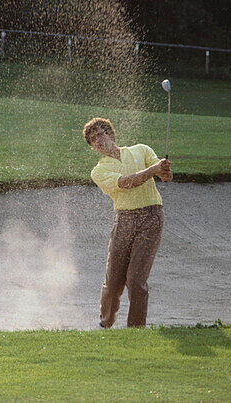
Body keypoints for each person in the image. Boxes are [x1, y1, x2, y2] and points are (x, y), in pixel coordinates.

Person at [84, 117, 172, 328]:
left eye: (100, 134)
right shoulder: (99, 171)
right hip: (124, 220)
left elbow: (165, 176)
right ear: (92, 147)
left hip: (151, 217)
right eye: (93, 139)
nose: (98, 140)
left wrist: (165, 171)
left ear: (111, 134)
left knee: (135, 279)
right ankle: (105, 324)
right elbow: (125, 183)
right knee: (113, 282)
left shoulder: (141, 150)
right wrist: (153, 170)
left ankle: (135, 329)